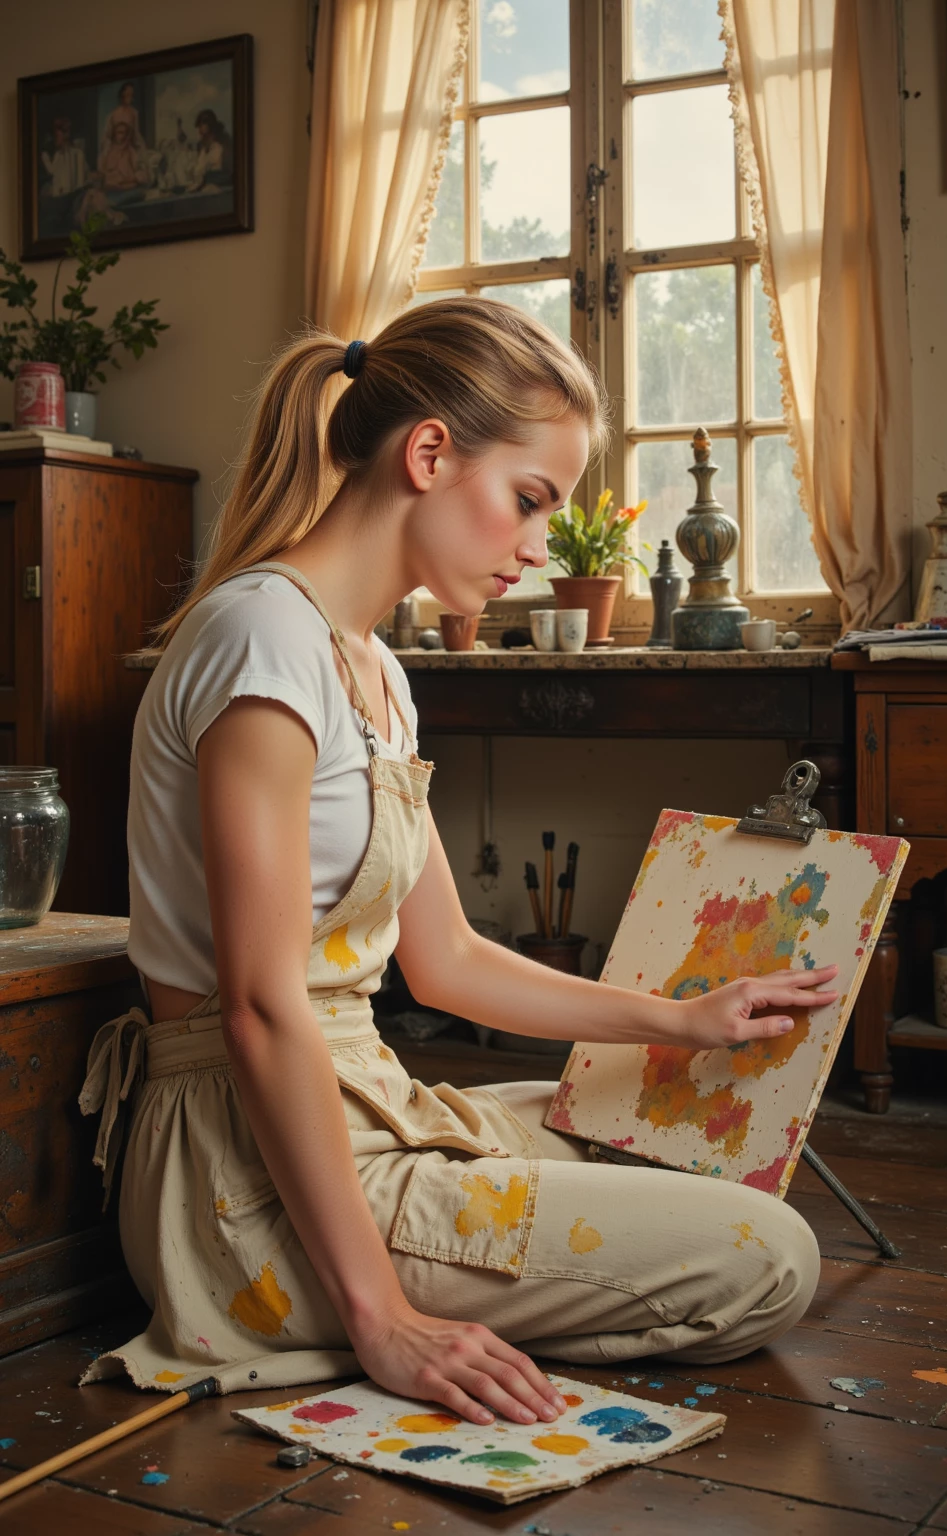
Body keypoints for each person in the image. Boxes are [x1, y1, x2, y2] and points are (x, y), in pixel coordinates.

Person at [80, 300, 836, 1422]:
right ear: (428, 453)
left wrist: (684, 1021)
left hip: (359, 1103)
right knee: (771, 1254)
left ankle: (452, 1273)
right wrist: (384, 1318)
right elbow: (257, 1009)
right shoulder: (262, 640)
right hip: (241, 1176)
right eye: (529, 501)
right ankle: (366, 1308)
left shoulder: (376, 667)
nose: (539, 548)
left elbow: (446, 961)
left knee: (649, 1124)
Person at [41, 117, 89, 197]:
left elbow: (82, 179)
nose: (66, 134)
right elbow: (52, 172)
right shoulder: (48, 155)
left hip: (73, 195)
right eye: (62, 130)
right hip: (59, 196)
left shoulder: (77, 153)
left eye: (67, 130)